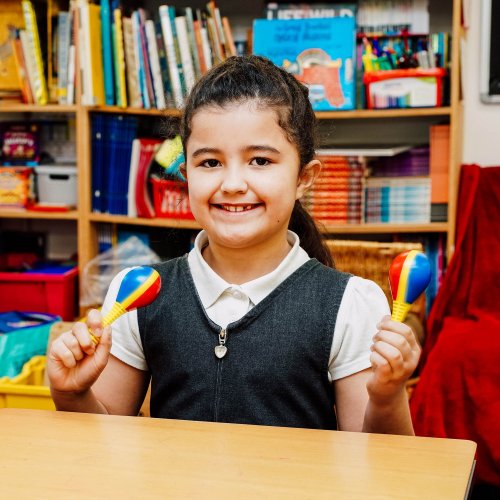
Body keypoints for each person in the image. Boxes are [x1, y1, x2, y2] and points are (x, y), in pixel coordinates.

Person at [48, 55, 420, 434]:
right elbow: (103, 443)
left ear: (304, 178)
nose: (232, 184)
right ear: (185, 174)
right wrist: (71, 394)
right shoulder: (138, 295)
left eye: (259, 160)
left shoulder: (352, 305)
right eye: (210, 163)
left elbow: (381, 466)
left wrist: (388, 396)